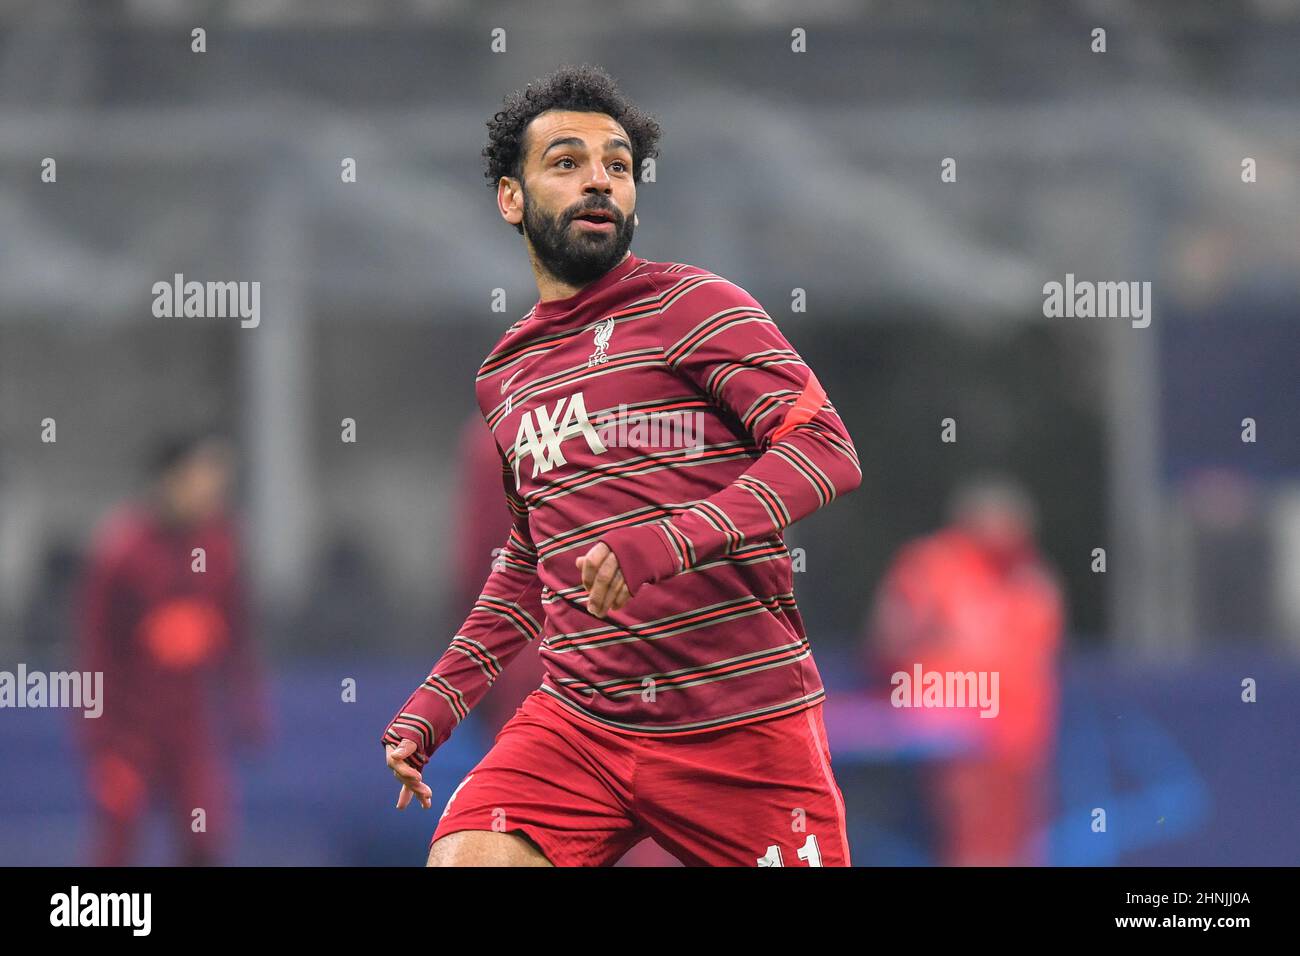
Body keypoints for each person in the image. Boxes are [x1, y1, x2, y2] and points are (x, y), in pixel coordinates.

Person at [382, 64, 862, 867]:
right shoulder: (504, 375)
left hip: (738, 724)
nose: (598, 181)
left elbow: (826, 449)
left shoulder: (695, 306)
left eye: (617, 166)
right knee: (468, 858)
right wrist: (440, 701)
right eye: (566, 163)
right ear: (511, 198)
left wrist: (668, 540)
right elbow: (532, 560)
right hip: (582, 722)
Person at [76, 431, 270, 865]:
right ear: (171, 479)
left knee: (204, 838)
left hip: (191, 728)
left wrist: (248, 709)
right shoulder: (120, 551)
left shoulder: (220, 546)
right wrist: (101, 745)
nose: (213, 491)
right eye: (203, 477)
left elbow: (239, 637)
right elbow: (94, 654)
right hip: (132, 729)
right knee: (117, 842)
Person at [864, 476, 1064, 865]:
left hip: (1021, 742)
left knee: (1014, 845)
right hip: (954, 737)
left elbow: (1043, 659)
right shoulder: (931, 567)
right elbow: (886, 641)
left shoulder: (1034, 580)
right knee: (966, 840)